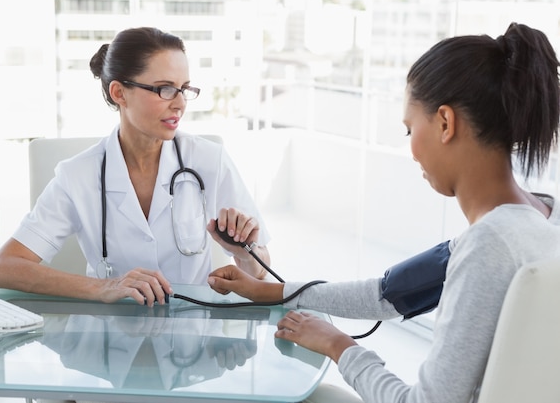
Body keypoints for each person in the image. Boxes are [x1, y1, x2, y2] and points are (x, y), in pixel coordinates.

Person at [207, 22, 560, 403]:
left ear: (445, 122)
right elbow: (386, 295)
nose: (412, 151)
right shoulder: (540, 217)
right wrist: (271, 292)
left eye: (410, 130)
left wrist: (339, 346)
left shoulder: (489, 246)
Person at [0, 26, 271, 306]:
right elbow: (4, 268)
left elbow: (263, 273)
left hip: (191, 340)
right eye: (165, 89)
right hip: (109, 339)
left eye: (184, 89)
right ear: (119, 93)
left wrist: (246, 255)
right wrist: (105, 288)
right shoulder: (78, 175)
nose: (180, 104)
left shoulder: (210, 160)